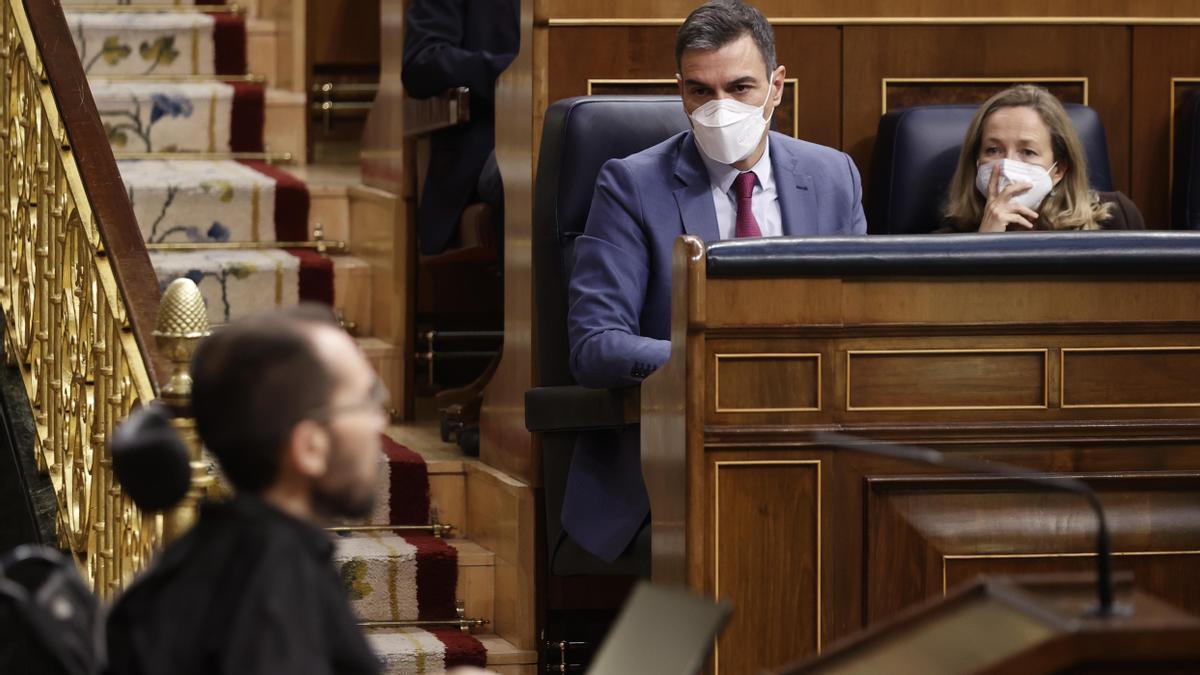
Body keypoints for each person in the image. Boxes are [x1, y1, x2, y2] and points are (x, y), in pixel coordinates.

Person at [562, 0, 867, 564]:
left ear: (777, 87)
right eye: (701, 91)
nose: (719, 108)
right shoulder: (631, 185)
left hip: (809, 437)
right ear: (679, 90)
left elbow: (859, 325)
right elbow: (596, 346)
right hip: (677, 452)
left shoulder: (834, 177)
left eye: (741, 87)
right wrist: (719, 362)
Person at [106, 305, 388, 675]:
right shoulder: (274, 587)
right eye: (367, 400)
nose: (380, 420)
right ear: (309, 448)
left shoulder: (213, 554)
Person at [941, 84, 1145, 232]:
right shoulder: (948, 241)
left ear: (1058, 170)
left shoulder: (1117, 218)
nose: (1008, 164)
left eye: (1028, 152)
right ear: (976, 162)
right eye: (993, 150)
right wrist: (982, 245)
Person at [402, 0, 520, 255]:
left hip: (583, 127)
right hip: (491, 142)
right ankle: (529, 295)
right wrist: (513, 73)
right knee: (528, 174)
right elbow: (422, 60)